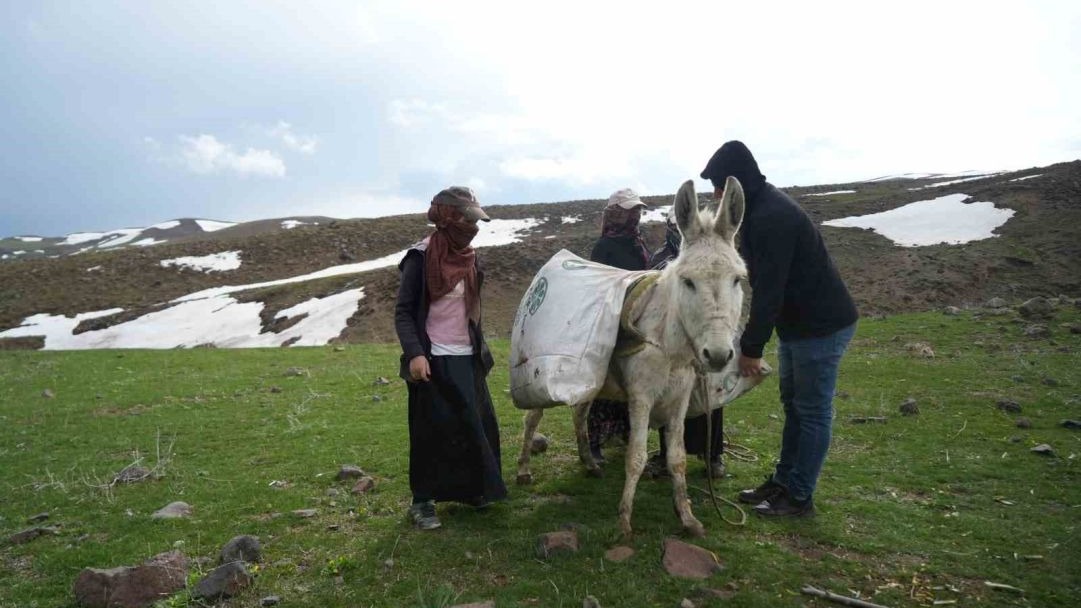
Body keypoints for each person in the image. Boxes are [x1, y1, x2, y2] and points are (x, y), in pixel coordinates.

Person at [700, 141, 858, 517]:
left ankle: (799, 497)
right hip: (798, 327)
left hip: (820, 326)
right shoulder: (757, 211)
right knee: (794, 406)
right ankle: (783, 481)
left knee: (812, 410)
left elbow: (770, 289)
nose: (716, 196)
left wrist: (752, 348)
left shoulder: (771, 217)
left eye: (719, 187)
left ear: (735, 185)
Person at [394, 186, 507, 530]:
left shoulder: (470, 257)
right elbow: (403, 312)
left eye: (475, 221)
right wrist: (415, 354)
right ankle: (422, 503)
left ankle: (472, 491)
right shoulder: (420, 257)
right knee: (431, 432)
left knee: (473, 425)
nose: (473, 227)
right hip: (431, 359)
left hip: (467, 357)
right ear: (448, 218)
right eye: (467, 219)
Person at [645, 213, 726, 479]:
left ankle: (712, 455)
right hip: (672, 346)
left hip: (705, 338)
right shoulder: (661, 259)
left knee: (709, 398)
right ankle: (667, 456)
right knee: (669, 402)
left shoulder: (711, 259)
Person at [586, 188, 652, 463]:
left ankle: (625, 435)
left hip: (638, 319)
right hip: (611, 320)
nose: (635, 215)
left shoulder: (638, 242)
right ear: (615, 213)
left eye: (637, 210)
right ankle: (593, 442)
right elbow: (598, 286)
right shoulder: (605, 247)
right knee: (604, 381)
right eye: (629, 210)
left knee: (631, 379)